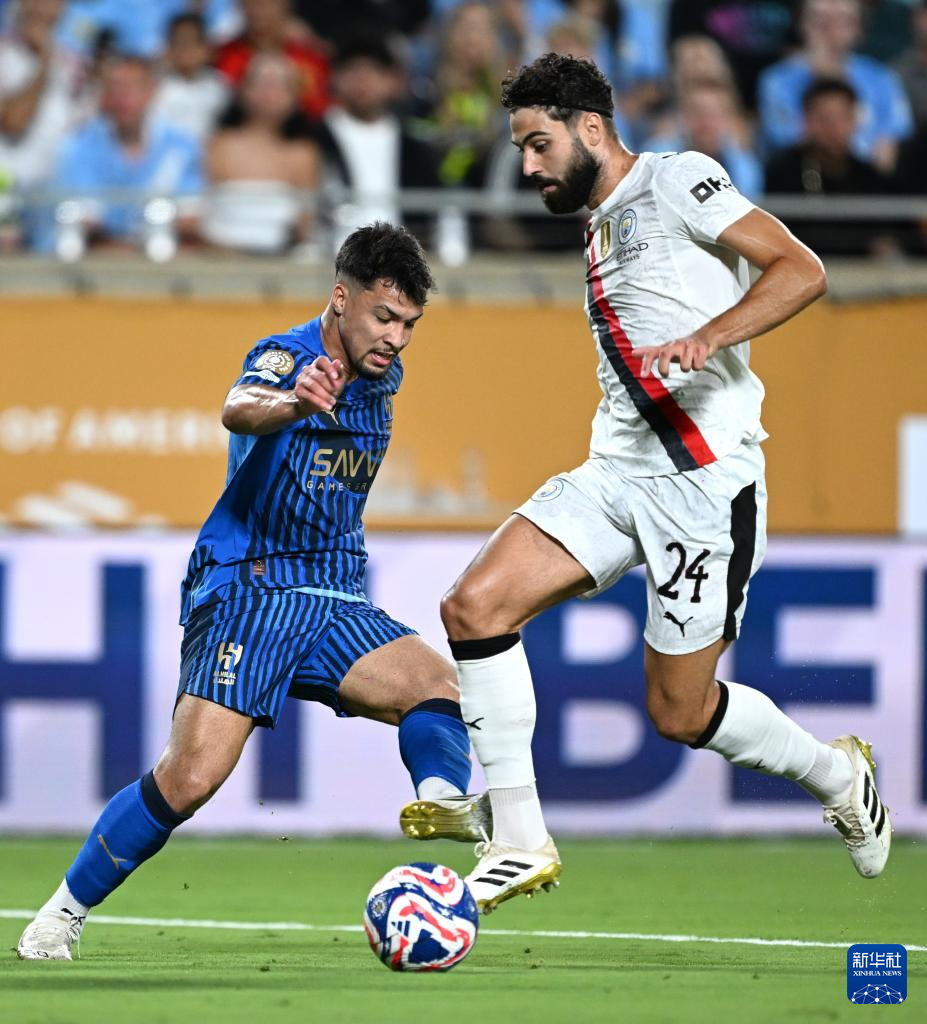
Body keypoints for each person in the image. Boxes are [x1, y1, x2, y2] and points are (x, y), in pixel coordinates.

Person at [400, 53, 892, 914]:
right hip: (617, 470)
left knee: (679, 712)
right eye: (520, 150)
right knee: (473, 607)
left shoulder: (676, 180)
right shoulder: (599, 223)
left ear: (591, 129)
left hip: (704, 486)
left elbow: (800, 270)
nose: (528, 166)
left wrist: (711, 336)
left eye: (539, 144)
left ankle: (834, 773)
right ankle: (518, 839)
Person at [17, 222, 488, 960]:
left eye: (408, 324)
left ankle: (441, 802)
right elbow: (239, 406)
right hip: (251, 589)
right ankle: (60, 914)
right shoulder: (286, 356)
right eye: (383, 317)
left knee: (439, 689)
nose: (396, 338)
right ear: (341, 298)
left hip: (333, 593)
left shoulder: (381, 374)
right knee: (189, 778)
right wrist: (296, 403)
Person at [38, 54, 202, 252]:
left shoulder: (181, 145)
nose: (123, 95)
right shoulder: (78, 146)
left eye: (133, 86)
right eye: (115, 87)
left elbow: (189, 219)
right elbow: (84, 226)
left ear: (152, 91)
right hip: (95, 259)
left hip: (161, 257)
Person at [758, 0, 912, 172]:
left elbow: (894, 140)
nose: (831, 29)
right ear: (801, 25)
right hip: (802, 176)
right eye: (820, 19)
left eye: (842, 20)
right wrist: (824, 78)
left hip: (865, 179)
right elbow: (787, 141)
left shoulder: (882, 79)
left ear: (858, 29)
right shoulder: (777, 81)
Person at [202, 53, 321, 254]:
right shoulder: (218, 146)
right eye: (262, 83)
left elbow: (306, 224)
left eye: (280, 85)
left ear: (294, 96)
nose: (269, 93)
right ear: (243, 89)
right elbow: (200, 213)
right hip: (221, 257)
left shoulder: (304, 154)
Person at [764, 77, 897, 255]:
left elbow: (883, 239)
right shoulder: (782, 172)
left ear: (855, 120)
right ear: (806, 121)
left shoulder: (871, 178)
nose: (833, 127)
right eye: (823, 118)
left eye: (841, 117)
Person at [214, 0, 330, 121]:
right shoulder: (222, 55)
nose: (258, 10)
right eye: (251, 3)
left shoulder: (310, 57)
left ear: (286, 5)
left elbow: (318, 107)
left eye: (268, 3)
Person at [150, 12, 229, 143]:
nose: (186, 49)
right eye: (179, 42)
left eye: (193, 41)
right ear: (167, 48)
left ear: (206, 49)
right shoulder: (155, 88)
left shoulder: (221, 87)